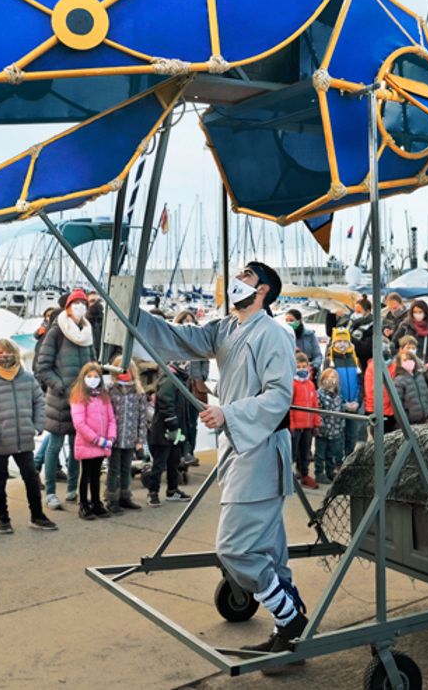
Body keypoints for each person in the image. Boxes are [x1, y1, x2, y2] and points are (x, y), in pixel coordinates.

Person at [130, 260, 310, 655]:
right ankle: (292, 619)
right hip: (237, 446)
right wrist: (131, 315)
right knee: (269, 547)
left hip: (260, 448)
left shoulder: (275, 335)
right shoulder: (226, 328)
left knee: (234, 548)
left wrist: (229, 413)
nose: (237, 281)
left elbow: (280, 397)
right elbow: (179, 338)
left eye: (246, 276)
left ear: (262, 290)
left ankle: (289, 616)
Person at [0, 338, 57, 535]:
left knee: (31, 479)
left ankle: (37, 516)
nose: (4, 355)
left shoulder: (28, 379)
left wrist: (37, 426)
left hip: (24, 441)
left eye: (7, 352)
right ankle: (3, 519)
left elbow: (40, 403)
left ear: (16, 353)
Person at [35, 290, 95, 510]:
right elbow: (43, 367)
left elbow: (93, 363)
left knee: (77, 445)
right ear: (68, 306)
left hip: (83, 399)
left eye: (83, 303)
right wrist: (61, 387)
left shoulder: (88, 332)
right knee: (55, 445)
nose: (80, 306)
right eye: (76, 303)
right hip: (60, 399)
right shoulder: (56, 332)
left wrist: (92, 385)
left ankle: (72, 488)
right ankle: (50, 492)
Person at [69, 361, 115, 521]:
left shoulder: (103, 396)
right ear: (83, 378)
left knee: (96, 474)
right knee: (86, 474)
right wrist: (96, 440)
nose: (93, 379)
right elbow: (79, 423)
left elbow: (111, 419)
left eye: (96, 376)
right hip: (88, 443)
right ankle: (83, 503)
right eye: (89, 376)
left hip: (102, 442)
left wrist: (110, 437)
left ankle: (96, 502)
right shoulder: (79, 397)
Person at [143, 361, 192, 506]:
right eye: (184, 362)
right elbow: (165, 401)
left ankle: (172, 490)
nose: (187, 365)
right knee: (159, 463)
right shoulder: (170, 380)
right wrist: (173, 424)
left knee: (174, 462)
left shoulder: (178, 379)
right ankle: (152, 492)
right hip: (164, 430)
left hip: (175, 430)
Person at [106, 361, 148, 513]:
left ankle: (125, 496)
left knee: (126, 468)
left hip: (130, 437)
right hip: (114, 438)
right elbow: (105, 414)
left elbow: (142, 417)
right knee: (113, 468)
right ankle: (112, 499)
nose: (125, 373)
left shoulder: (139, 391)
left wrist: (140, 440)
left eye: (128, 370)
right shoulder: (110, 389)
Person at [173, 310, 211, 467]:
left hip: (196, 386)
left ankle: (191, 451)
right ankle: (181, 452)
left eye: (191, 320)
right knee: (180, 421)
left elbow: (205, 361)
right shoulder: (174, 341)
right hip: (180, 385)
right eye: (185, 321)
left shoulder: (199, 343)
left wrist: (201, 377)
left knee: (192, 421)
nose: (188, 323)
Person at [326, 329, 362, 455]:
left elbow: (360, 383)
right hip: (338, 407)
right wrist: (342, 403)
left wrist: (357, 401)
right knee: (338, 437)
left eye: (345, 341)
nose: (342, 344)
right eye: (339, 341)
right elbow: (328, 386)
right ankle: (337, 463)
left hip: (354, 406)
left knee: (352, 436)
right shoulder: (329, 362)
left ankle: (349, 459)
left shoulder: (355, 360)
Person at [289, 354, 320, 489]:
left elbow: (315, 405)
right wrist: (291, 424)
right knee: (292, 452)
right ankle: (288, 478)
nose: (302, 369)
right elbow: (289, 406)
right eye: (298, 366)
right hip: (296, 426)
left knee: (305, 452)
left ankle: (304, 474)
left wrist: (316, 422)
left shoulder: (311, 385)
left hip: (308, 426)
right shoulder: (292, 384)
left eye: (304, 366)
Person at [314, 369, 345, 483]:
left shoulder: (338, 395)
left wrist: (341, 426)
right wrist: (318, 425)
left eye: (334, 377)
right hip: (323, 430)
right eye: (329, 377)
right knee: (320, 453)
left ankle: (330, 472)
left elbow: (341, 411)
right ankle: (319, 473)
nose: (332, 380)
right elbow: (317, 411)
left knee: (331, 454)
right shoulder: (319, 394)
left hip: (335, 430)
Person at [392, 347, 428, 427]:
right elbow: (397, 405)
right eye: (405, 360)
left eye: (410, 359)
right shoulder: (398, 380)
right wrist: (404, 422)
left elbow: (427, 397)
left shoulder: (420, 377)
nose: (408, 362)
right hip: (410, 423)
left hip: (425, 421)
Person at [362, 352, 397, 438]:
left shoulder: (394, 366)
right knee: (376, 441)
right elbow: (370, 391)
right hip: (376, 410)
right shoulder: (372, 367)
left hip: (390, 411)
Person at [283, 309, 322, 374]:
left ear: (299, 320)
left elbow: (317, 355)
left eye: (291, 320)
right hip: (290, 371)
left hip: (309, 370)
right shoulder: (283, 336)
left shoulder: (310, 335)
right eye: (287, 321)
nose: (289, 323)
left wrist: (314, 367)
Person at [347, 298, 374, 374]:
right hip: (349, 362)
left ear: (367, 312)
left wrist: (349, 338)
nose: (355, 314)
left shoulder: (372, 326)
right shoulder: (351, 323)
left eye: (359, 312)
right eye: (355, 311)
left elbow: (366, 349)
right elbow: (331, 332)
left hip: (363, 364)